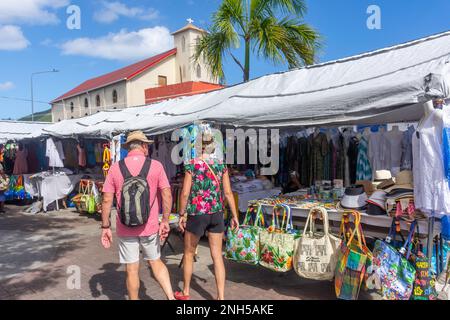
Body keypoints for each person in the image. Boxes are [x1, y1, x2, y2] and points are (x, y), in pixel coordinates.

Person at [100, 131, 175, 300]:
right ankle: (171, 297)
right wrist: (165, 221)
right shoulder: (156, 166)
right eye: (146, 145)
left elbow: (106, 200)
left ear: (129, 147)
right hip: (149, 226)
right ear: (143, 146)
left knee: (132, 270)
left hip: (125, 227)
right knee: (155, 262)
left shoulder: (115, 168)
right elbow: (167, 194)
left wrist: (105, 226)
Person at [176, 132, 239, 300]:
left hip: (197, 213)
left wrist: (181, 214)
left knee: (189, 253)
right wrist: (235, 215)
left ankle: (186, 291)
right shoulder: (221, 164)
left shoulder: (192, 165)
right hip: (217, 213)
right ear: (213, 146)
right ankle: (221, 297)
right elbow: (227, 192)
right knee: (217, 255)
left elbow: (184, 193)